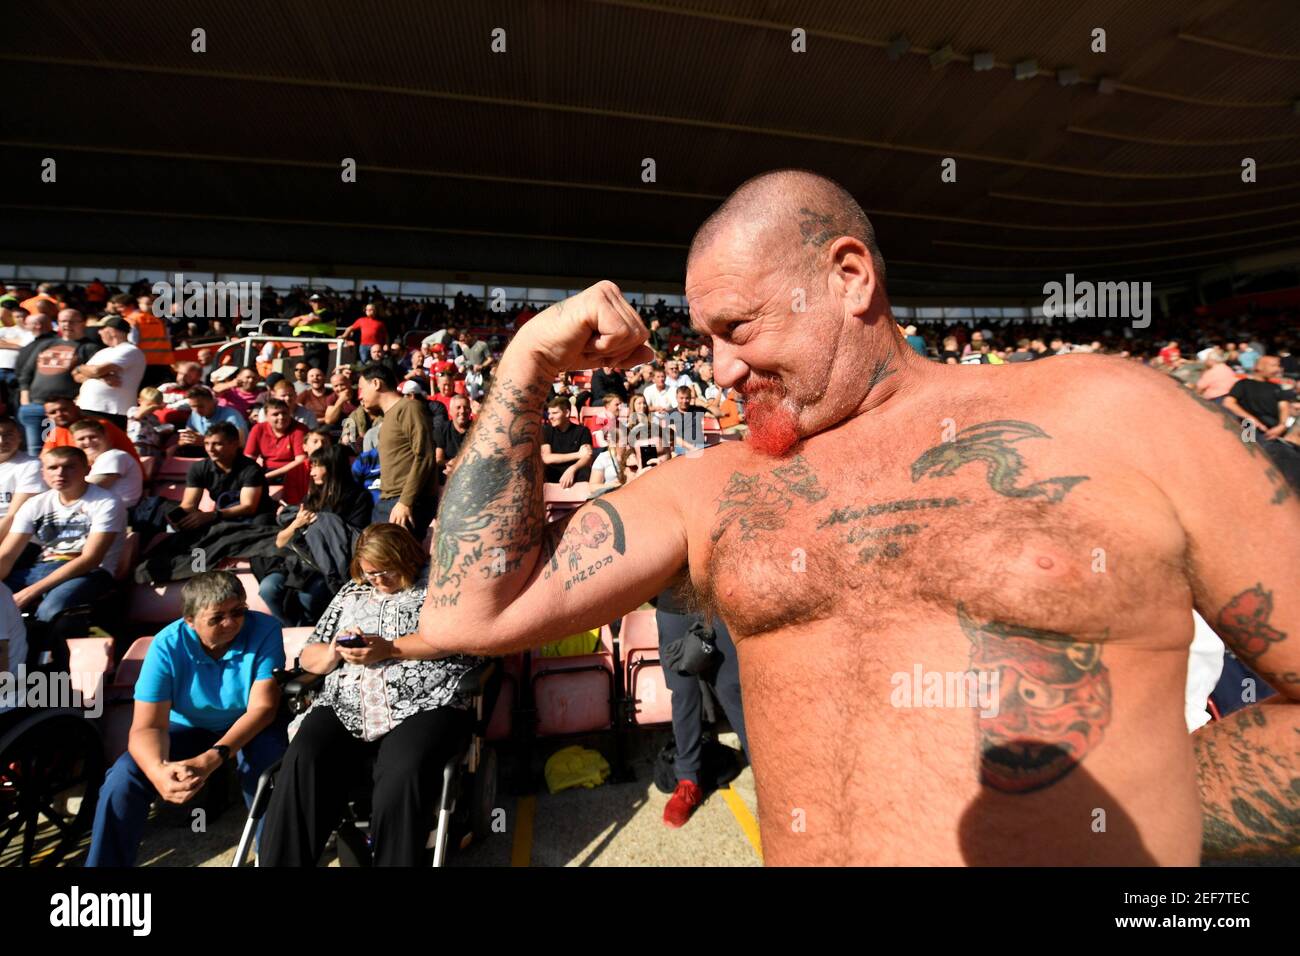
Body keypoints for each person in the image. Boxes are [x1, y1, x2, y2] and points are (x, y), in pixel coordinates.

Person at [416, 170, 1300, 866]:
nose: (720, 370)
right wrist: (527, 364)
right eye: (706, 340)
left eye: (739, 328)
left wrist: (1116, 818)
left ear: (848, 277)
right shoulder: (713, 489)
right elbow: (472, 611)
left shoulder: (1119, 416)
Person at [260, 524, 484, 867]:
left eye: (385, 571)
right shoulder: (352, 591)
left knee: (402, 772)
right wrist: (335, 651)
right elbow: (309, 654)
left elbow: (458, 638)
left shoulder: (441, 586)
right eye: (369, 572)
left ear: (406, 558)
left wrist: (390, 648)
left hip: (424, 699)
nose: (377, 580)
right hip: (347, 699)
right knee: (305, 757)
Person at [85, 571, 287, 866]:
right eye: (217, 618)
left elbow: (262, 709)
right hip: (188, 725)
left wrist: (215, 756)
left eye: (238, 612)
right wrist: (157, 771)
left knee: (269, 770)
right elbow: (147, 726)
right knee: (123, 777)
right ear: (190, 620)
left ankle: (275, 858)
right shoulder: (166, 645)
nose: (231, 623)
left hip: (250, 723)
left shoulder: (265, 629)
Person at [0, 446, 124, 623]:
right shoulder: (34, 504)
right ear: (43, 473)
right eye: (52, 468)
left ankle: (45, 641)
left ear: (87, 470)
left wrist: (28, 593)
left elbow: (90, 559)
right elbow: (7, 555)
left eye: (69, 467)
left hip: (90, 572)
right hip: (41, 568)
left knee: (51, 611)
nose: (60, 473)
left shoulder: (106, 502)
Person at [259, 446, 372, 626]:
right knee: (268, 589)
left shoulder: (358, 497)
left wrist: (323, 523)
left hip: (328, 564)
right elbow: (280, 542)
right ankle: (290, 628)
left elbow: (351, 538)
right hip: (299, 562)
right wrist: (297, 523)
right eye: (311, 467)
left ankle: (309, 629)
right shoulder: (311, 499)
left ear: (333, 466)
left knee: (309, 596)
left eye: (317, 466)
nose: (311, 472)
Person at [356, 363, 438, 538]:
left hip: (405, 502)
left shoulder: (409, 408)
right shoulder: (388, 417)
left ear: (376, 383)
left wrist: (406, 502)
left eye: (362, 388)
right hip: (389, 501)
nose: (360, 395)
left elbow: (424, 455)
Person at [16, 308, 102, 455]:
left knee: (58, 451)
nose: (67, 324)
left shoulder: (90, 348)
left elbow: (94, 377)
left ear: (83, 323)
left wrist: (79, 399)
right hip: (34, 406)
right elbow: (26, 372)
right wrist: (25, 399)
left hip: (64, 411)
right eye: (63, 321)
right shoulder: (46, 344)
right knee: (34, 453)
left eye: (72, 321)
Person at [74, 316, 146, 430]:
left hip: (112, 412)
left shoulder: (130, 350)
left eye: (102, 329)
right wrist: (101, 377)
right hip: (88, 406)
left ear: (112, 331)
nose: (99, 332)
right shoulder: (103, 352)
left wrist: (90, 372)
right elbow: (76, 374)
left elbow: (96, 370)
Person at [41, 395, 142, 465]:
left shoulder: (98, 426)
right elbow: (45, 458)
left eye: (64, 410)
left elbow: (96, 461)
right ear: (47, 416)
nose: (59, 414)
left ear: (76, 408)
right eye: (53, 412)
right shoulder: (57, 431)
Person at [244, 398, 308, 505]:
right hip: (266, 471)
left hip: (292, 472)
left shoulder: (299, 429)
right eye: (275, 414)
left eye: (284, 413)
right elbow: (249, 458)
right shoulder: (258, 429)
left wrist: (268, 475)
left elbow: (301, 460)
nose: (281, 417)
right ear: (266, 417)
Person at [71, 418, 144, 509]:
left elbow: (85, 490)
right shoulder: (96, 462)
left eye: (93, 437)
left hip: (119, 514)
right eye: (81, 439)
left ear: (106, 437)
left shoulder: (113, 456)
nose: (88, 442)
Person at [1222, 355, 1294, 438]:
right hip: (1248, 427)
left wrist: (1282, 426)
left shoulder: (1276, 387)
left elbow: (1284, 407)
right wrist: (1252, 420)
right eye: (1273, 365)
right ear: (1259, 367)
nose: (1278, 369)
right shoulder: (1244, 384)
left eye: (1278, 366)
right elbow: (1228, 403)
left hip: (1273, 431)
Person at [0, 415, 46, 540]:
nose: (1, 441)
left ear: (19, 436)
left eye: (8, 435)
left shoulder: (32, 465)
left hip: (17, 537)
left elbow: (13, 516)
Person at [177, 385, 248, 455]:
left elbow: (241, 444)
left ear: (212, 402)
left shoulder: (231, 416)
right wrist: (185, 440)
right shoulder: (194, 414)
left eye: (201, 406)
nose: (196, 410)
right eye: (193, 406)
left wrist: (205, 441)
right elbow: (184, 438)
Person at [540, 397, 593, 486]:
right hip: (553, 471)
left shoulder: (582, 431)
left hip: (575, 470)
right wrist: (578, 454)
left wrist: (572, 469)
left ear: (567, 413)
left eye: (555, 413)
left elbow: (587, 457)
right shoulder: (547, 431)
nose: (550, 417)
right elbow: (547, 458)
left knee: (585, 471)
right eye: (549, 413)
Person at [433, 394, 472, 486]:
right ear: (450, 411)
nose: (462, 411)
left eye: (466, 408)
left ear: (470, 411)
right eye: (458, 407)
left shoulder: (478, 429)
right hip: (449, 478)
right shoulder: (442, 430)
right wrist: (451, 463)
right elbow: (439, 460)